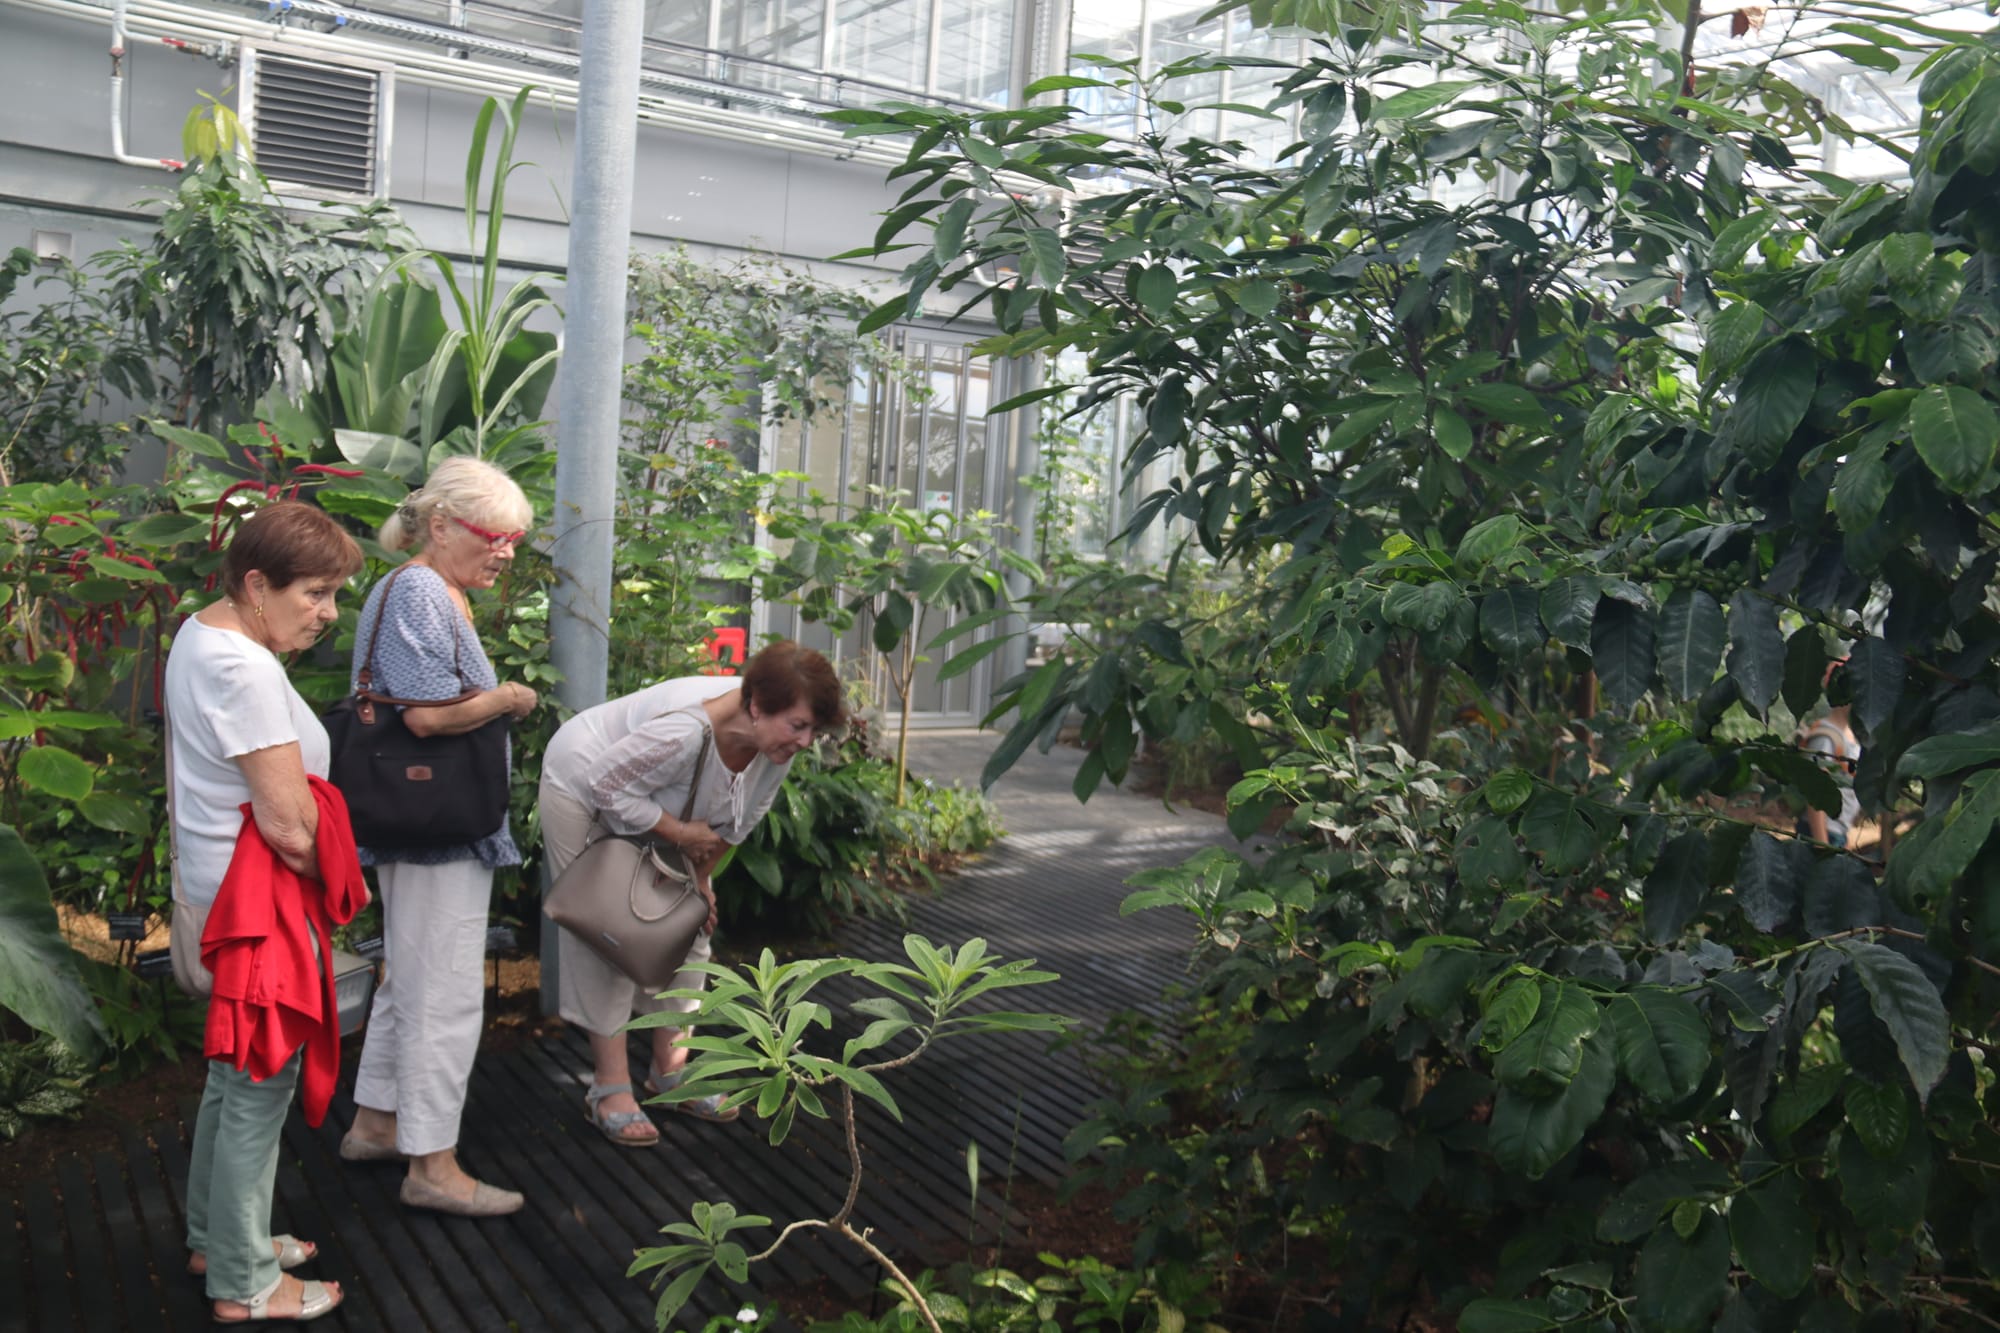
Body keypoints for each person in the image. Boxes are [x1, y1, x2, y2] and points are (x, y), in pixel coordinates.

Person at [165, 500, 365, 1324]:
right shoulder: (243, 669)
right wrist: (340, 876)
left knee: (231, 1075)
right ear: (257, 584)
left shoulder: (204, 633)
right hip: (260, 909)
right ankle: (246, 1282)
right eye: (315, 593)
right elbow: (286, 825)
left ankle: (217, 1235)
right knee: (260, 1083)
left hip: (222, 897)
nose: (327, 613)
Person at [336, 458, 540, 1215]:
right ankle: (433, 1165)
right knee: (444, 994)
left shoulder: (430, 588)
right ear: (445, 524)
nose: (507, 551)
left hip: (427, 826)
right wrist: (505, 698)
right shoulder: (421, 587)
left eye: (515, 539)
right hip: (437, 829)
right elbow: (423, 716)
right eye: (497, 535)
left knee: (409, 979)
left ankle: (377, 1123)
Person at [538, 641, 843, 1145]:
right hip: (584, 784)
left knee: (689, 925)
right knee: (612, 931)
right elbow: (606, 786)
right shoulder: (685, 730)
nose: (806, 741)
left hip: (654, 799)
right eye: (798, 725)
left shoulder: (773, 747)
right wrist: (679, 836)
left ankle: (672, 1072)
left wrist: (701, 885)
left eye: (813, 728)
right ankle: (609, 1088)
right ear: (756, 707)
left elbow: (738, 822)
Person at [1799, 665, 1861, 848]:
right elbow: (1815, 792)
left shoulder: (1850, 735)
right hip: (1822, 833)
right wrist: (1822, 845)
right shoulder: (1825, 736)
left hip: (1838, 831)